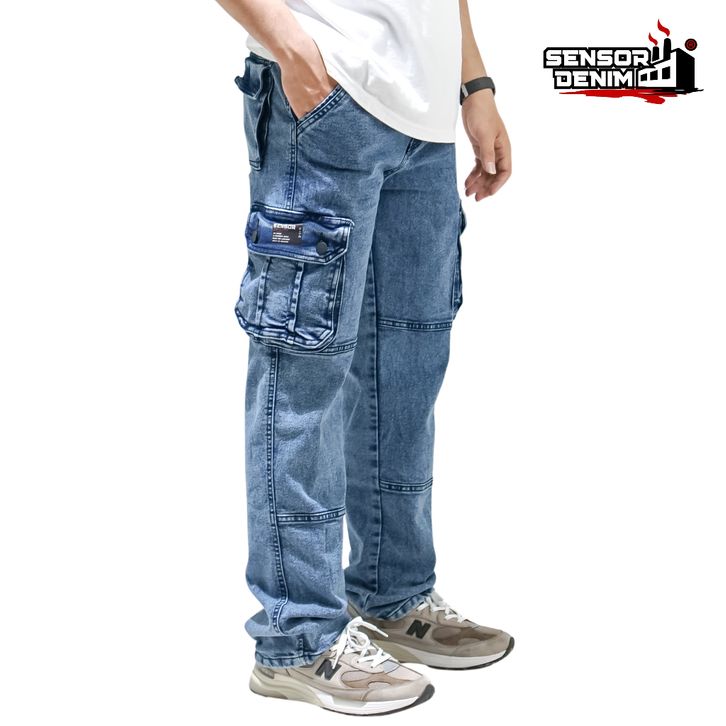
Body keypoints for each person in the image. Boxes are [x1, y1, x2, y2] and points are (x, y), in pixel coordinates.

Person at [215, 0, 513, 715]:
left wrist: (474, 85)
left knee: (407, 367)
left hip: (426, 119)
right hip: (326, 95)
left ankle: (393, 593)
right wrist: (290, 47)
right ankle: (298, 639)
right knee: (302, 373)